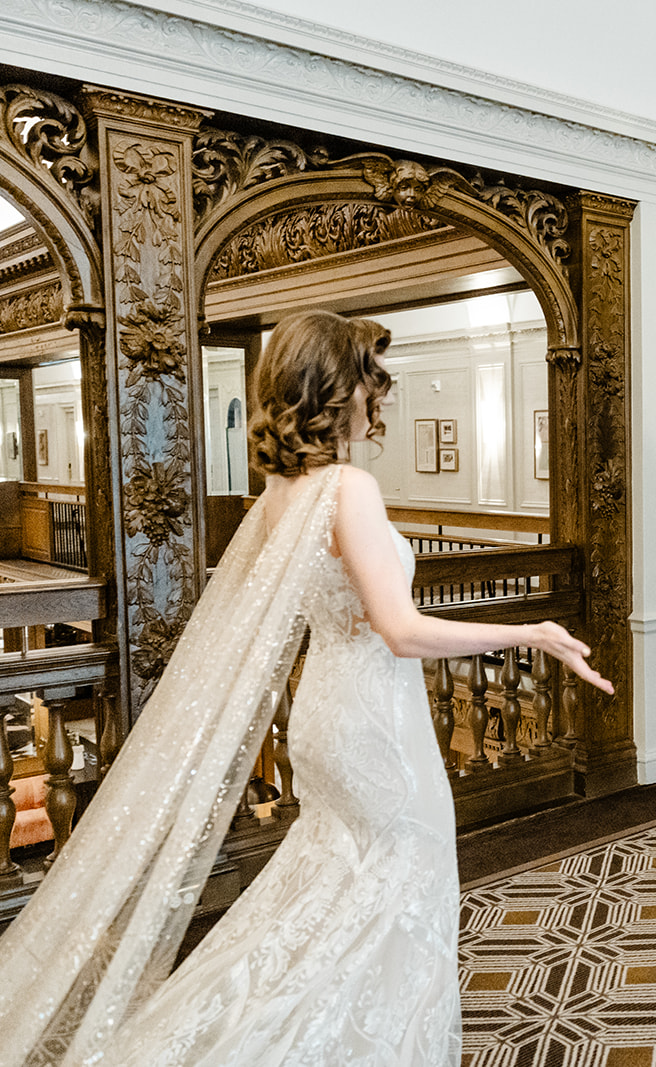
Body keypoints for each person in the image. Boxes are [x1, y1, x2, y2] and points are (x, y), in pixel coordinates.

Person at [0, 309, 612, 1066]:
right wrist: (531, 633)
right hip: (374, 715)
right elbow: (402, 628)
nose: (376, 395)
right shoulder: (346, 487)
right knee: (401, 885)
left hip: (326, 710)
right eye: (366, 379)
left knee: (332, 890)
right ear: (331, 389)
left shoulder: (280, 493)